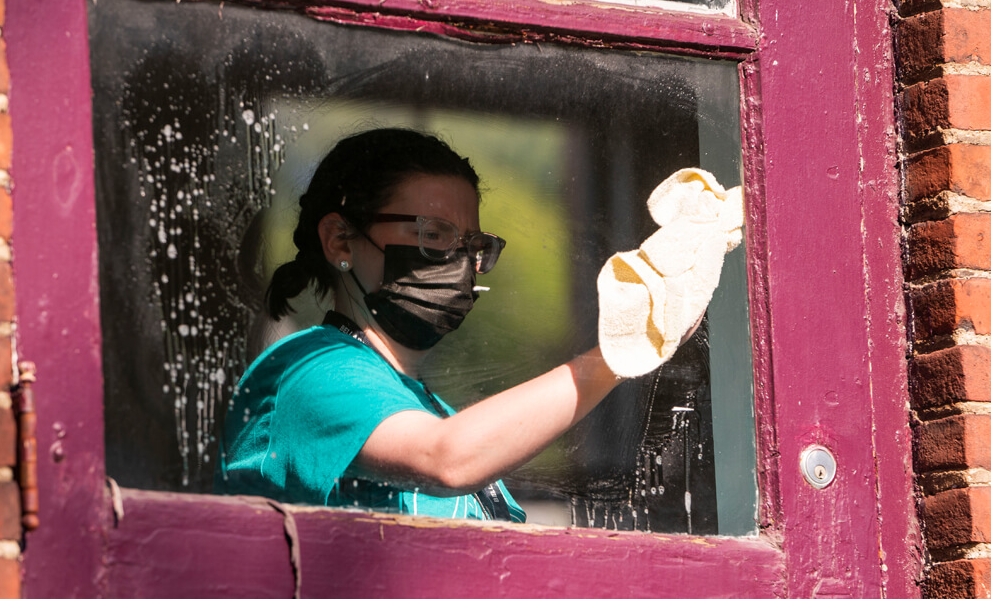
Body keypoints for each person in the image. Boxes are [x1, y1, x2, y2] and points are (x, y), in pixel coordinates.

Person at [218, 128, 698, 521]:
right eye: (433, 236)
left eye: (472, 246)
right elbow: (446, 459)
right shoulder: (310, 370)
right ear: (340, 241)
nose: (461, 263)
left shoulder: (427, 407)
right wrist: (622, 348)